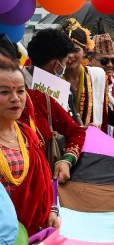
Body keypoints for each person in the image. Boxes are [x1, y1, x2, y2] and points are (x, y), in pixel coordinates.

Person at [0, 56, 57, 236]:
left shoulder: (27, 133)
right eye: (4, 92)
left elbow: (44, 185)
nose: (15, 99)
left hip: (32, 233)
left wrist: (52, 210)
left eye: (21, 91)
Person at [22, 29, 86, 181]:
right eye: (64, 62)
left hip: (44, 173)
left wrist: (66, 160)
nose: (14, 97)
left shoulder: (58, 91)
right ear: (55, 64)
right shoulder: (20, 89)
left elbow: (75, 131)